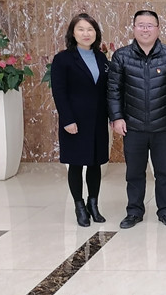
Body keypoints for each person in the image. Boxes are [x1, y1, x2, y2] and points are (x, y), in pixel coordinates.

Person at [108, 10, 166, 229]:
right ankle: (134, 212)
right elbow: (113, 90)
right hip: (133, 126)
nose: (145, 29)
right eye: (140, 25)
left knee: (164, 172)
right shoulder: (121, 56)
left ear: (158, 29)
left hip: (163, 126)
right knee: (134, 173)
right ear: (133, 28)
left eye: (150, 25)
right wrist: (117, 117)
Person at [51, 13, 110, 227]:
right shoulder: (63, 59)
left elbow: (107, 90)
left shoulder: (102, 58)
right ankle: (79, 206)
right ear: (73, 33)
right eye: (81, 29)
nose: (86, 34)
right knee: (76, 164)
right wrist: (67, 119)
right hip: (75, 121)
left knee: (95, 163)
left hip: (98, 120)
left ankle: (93, 204)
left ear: (96, 33)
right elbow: (59, 92)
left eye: (90, 29)